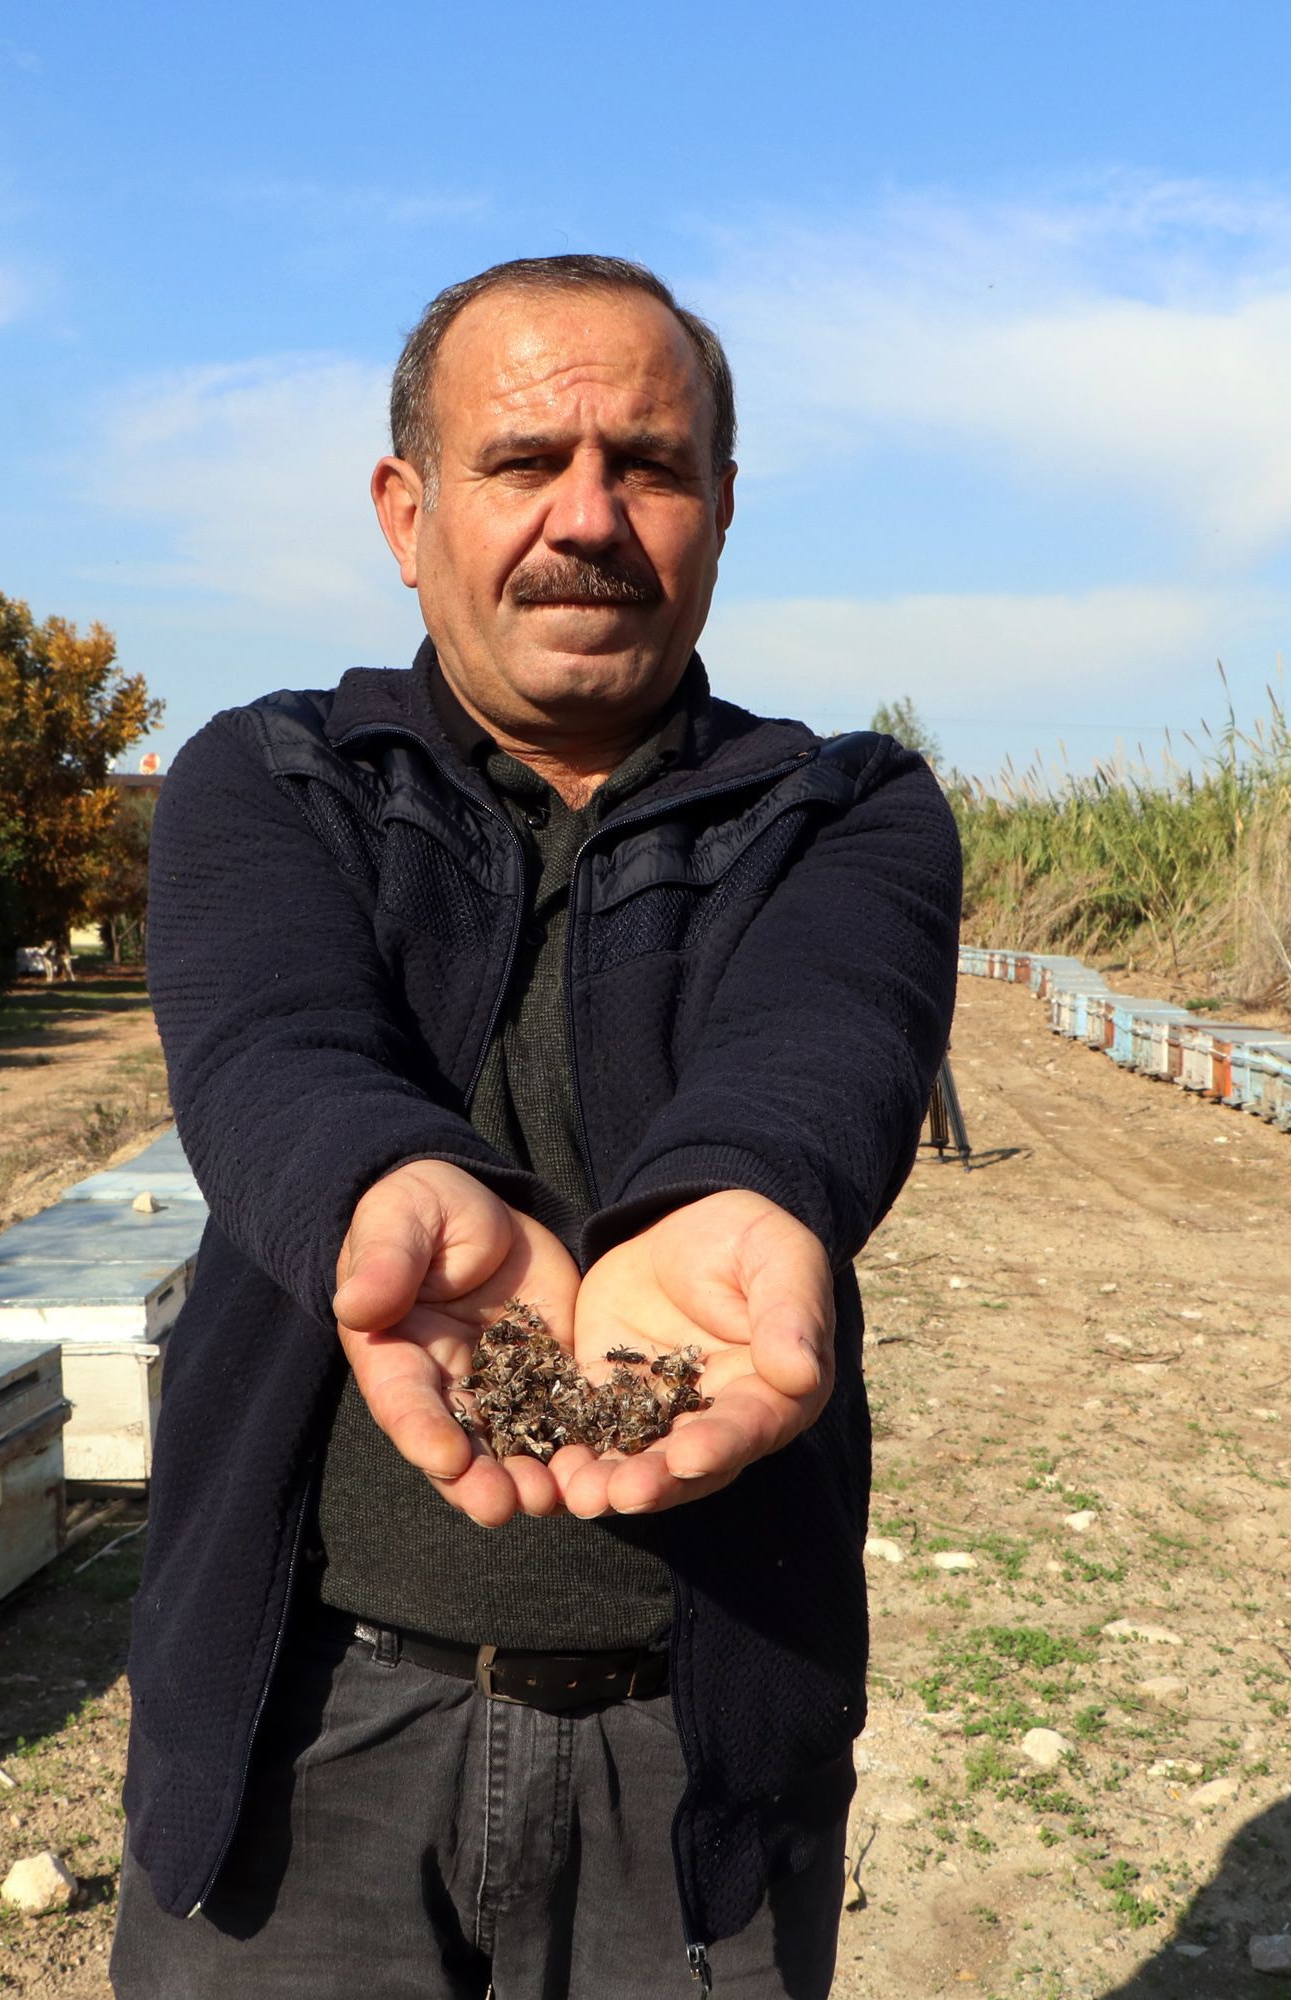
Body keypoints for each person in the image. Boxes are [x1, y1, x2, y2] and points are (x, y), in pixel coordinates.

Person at [114, 253, 962, 1998]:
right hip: (308, 1736)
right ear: (406, 508)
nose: (590, 518)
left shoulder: (843, 810)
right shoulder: (275, 780)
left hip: (697, 1752)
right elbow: (274, 1044)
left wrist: (741, 1197)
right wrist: (388, 1189)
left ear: (722, 509)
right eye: (524, 465)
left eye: (648, 466)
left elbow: (827, 1044)